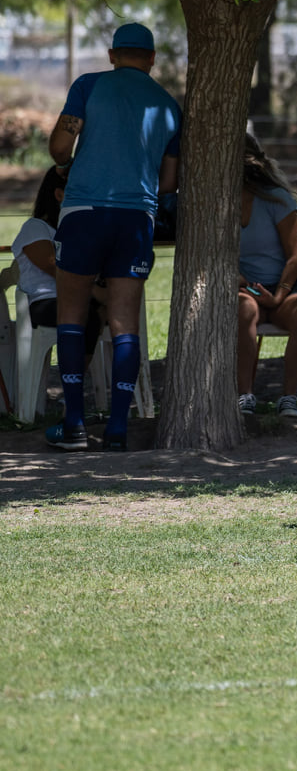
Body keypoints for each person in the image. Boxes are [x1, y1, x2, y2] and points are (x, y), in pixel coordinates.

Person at [44, 22, 181, 452]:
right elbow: (169, 181)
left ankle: (74, 425)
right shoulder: (169, 105)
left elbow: (59, 149)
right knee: (125, 321)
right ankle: (118, 428)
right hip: (136, 216)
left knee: (72, 312)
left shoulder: (88, 85)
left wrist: (68, 167)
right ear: (152, 59)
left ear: (111, 55)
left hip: (83, 209)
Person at [236, 134, 297, 421]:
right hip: (244, 288)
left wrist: (279, 295)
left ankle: (288, 397)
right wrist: (240, 279)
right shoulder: (218, 204)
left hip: (285, 286)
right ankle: (244, 395)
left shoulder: (276, 199)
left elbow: (295, 256)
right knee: (242, 310)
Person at [11, 168, 109, 404]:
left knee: (113, 311)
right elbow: (54, 267)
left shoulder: (77, 231)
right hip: (45, 301)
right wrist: (95, 289)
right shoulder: (35, 228)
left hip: (78, 298)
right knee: (88, 314)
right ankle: (72, 392)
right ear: (59, 194)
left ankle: (111, 392)